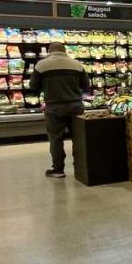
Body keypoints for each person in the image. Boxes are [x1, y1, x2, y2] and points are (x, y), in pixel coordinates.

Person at [29, 42, 90, 179]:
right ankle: (81, 169)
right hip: (75, 105)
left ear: (49, 51)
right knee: (79, 138)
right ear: (65, 50)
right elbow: (86, 86)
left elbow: (33, 86)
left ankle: (58, 170)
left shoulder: (41, 65)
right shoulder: (77, 64)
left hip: (54, 107)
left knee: (56, 139)